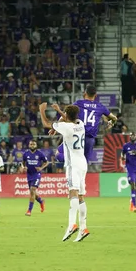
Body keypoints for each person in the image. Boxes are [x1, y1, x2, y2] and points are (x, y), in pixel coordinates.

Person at [39, 102, 89, 242]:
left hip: (73, 163)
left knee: (72, 193)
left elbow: (46, 123)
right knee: (80, 196)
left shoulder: (66, 127)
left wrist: (42, 111)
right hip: (83, 163)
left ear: (67, 116)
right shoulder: (80, 123)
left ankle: (72, 224)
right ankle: (83, 227)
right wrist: (61, 111)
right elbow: (68, 120)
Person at [52, 85, 117, 164]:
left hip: (77, 135)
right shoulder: (100, 106)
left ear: (85, 93)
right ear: (95, 95)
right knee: (83, 164)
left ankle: (71, 160)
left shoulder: (78, 103)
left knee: (58, 155)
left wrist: (55, 128)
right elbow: (114, 118)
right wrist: (111, 123)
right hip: (89, 140)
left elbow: (65, 116)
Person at [20, 140, 49, 216]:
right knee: (33, 193)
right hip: (29, 175)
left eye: (33, 144)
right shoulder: (26, 154)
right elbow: (23, 163)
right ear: (29, 145)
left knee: (32, 190)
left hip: (36, 174)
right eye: (31, 144)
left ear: (36, 145)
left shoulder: (40, 154)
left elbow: (46, 162)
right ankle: (41, 201)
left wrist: (41, 168)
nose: (32, 145)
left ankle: (29, 210)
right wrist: (24, 167)